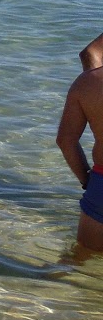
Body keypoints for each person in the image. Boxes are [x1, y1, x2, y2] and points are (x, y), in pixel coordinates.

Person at [57, 31, 103, 252]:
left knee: (79, 263)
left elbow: (66, 141)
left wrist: (88, 180)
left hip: (101, 187)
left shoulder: (86, 83)